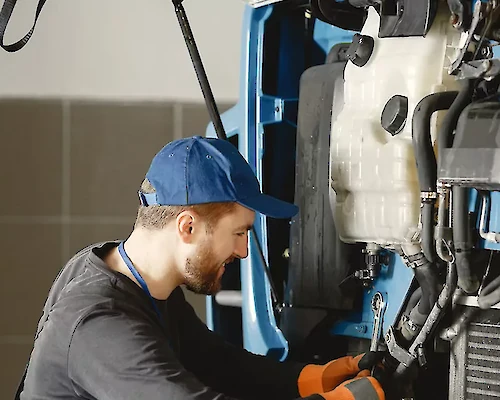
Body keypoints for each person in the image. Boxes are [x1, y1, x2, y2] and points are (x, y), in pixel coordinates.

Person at [18, 136, 385, 400]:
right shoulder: (101, 326)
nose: (243, 251)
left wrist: (312, 378)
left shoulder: (135, 279)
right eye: (239, 233)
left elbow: (217, 362)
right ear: (187, 227)